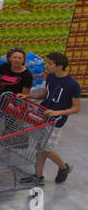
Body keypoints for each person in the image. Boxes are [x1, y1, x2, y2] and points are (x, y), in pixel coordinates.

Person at [33, 52, 77, 184]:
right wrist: (29, 96)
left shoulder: (73, 85)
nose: (48, 66)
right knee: (40, 147)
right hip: (43, 116)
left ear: (60, 66)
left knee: (47, 149)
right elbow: (44, 94)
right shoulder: (51, 77)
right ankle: (38, 176)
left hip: (56, 122)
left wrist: (57, 112)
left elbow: (76, 108)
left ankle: (64, 167)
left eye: (50, 63)